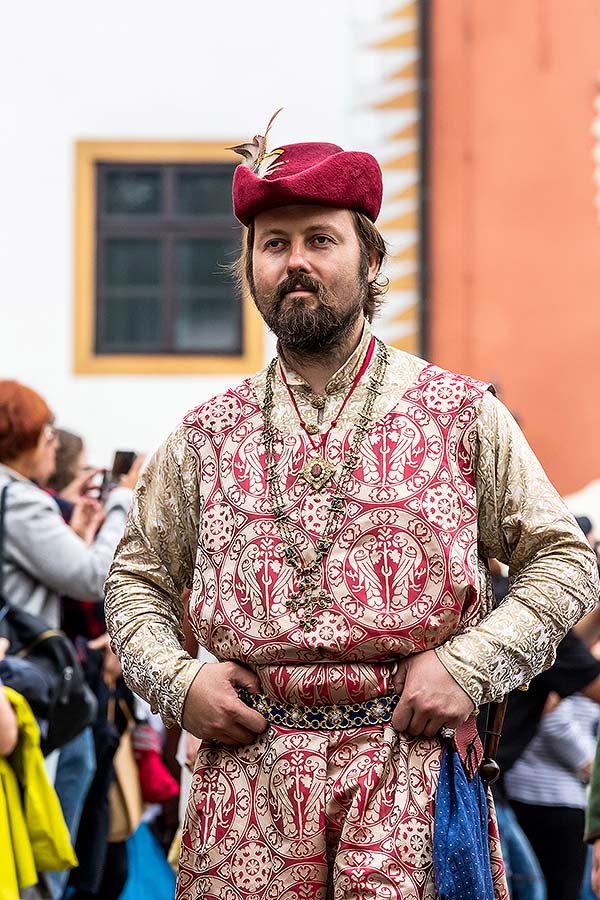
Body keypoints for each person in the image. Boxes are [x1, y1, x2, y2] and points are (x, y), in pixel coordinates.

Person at [105, 124, 599, 899]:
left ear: (369, 259)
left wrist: (467, 669)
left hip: (411, 772)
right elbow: (135, 581)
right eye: (274, 244)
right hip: (247, 784)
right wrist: (177, 682)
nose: (295, 260)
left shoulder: (460, 414)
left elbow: (564, 561)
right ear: (251, 269)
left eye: (319, 240)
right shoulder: (203, 435)